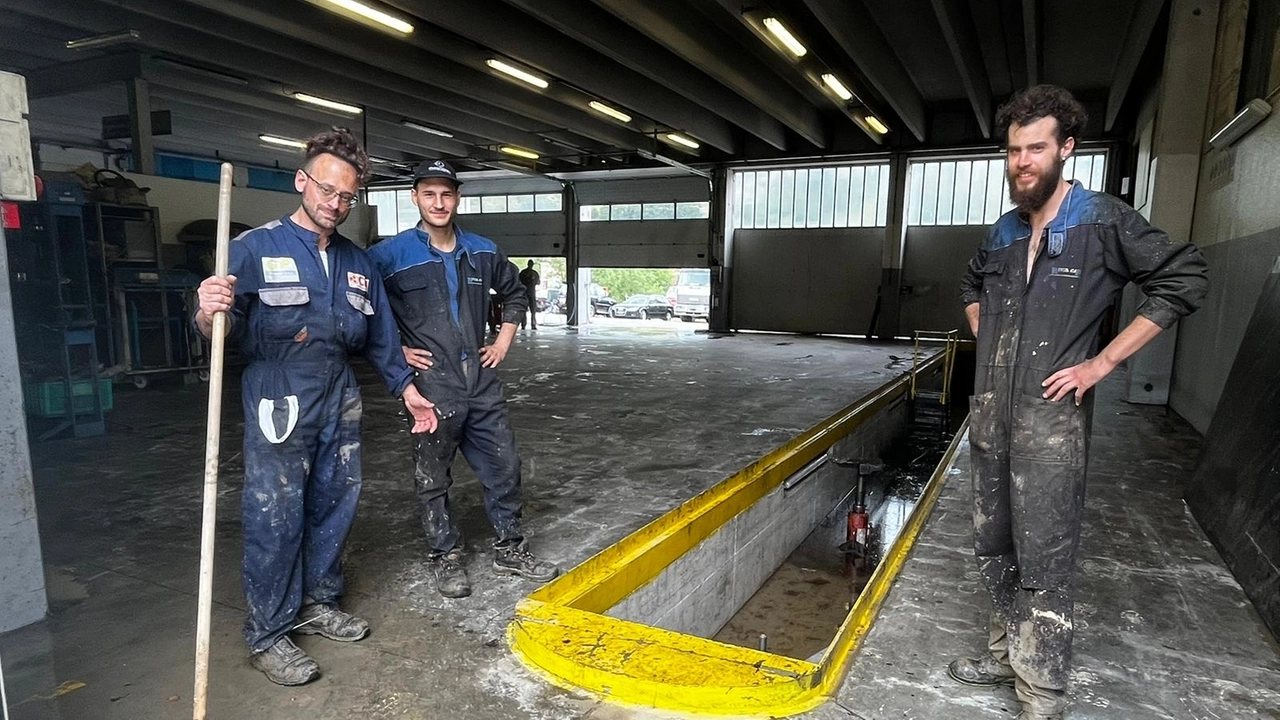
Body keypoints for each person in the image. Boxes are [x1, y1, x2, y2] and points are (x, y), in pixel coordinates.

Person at [953, 85, 1208, 719]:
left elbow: (1184, 278)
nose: (1022, 162)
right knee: (994, 544)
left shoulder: (1102, 221)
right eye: (1013, 151)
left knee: (1044, 553)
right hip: (991, 417)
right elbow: (970, 281)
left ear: (1066, 149)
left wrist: (1102, 362)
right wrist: (989, 332)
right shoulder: (1006, 230)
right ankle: (1002, 653)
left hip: (1048, 425)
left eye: (1035, 148)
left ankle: (1041, 692)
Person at [194, 127, 437, 686]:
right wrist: (208, 311)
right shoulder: (254, 247)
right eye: (328, 191)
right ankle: (269, 632)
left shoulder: (358, 261)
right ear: (302, 181)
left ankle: (317, 602)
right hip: (278, 390)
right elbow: (213, 330)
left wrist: (407, 389)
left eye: (347, 197)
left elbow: (380, 337)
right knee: (275, 511)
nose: (336, 204)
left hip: (340, 390)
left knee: (334, 501)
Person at [367, 159, 558, 599]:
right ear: (414, 197)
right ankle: (444, 554)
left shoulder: (483, 251)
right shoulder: (388, 256)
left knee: (504, 465)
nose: (438, 202)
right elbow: (362, 305)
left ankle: (510, 546)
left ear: (457, 197)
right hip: (433, 382)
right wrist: (395, 350)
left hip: (481, 380)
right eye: (429, 194)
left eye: (446, 193)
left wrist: (504, 340)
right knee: (433, 475)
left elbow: (514, 293)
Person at [518, 260, 540, 330]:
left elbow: (518, 282)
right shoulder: (534, 273)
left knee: (527, 310)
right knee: (532, 311)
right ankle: (531, 325)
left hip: (525, 293)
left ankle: (524, 325)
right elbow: (538, 282)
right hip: (530, 293)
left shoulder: (523, 273)